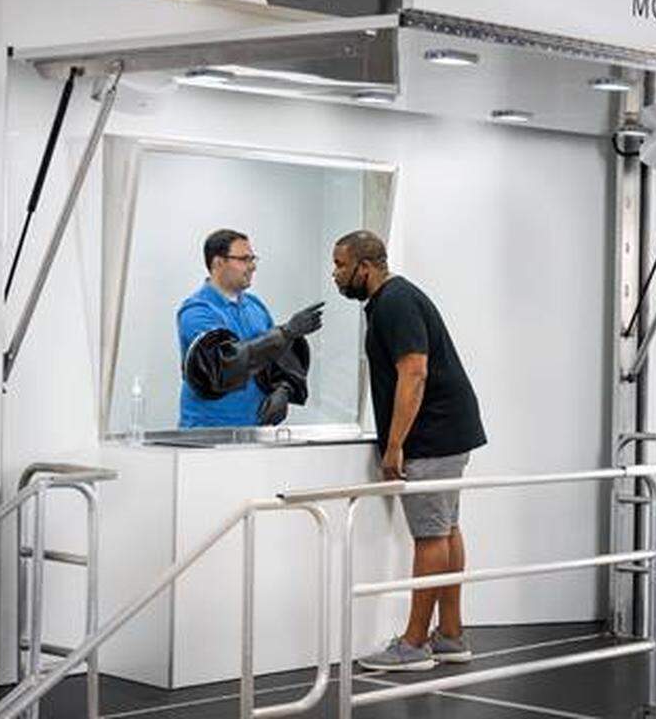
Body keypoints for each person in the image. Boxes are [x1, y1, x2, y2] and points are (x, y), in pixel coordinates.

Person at [332, 229, 487, 671]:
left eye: (341, 265)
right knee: (447, 528)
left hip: (432, 435)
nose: (335, 274)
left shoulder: (395, 303)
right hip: (450, 429)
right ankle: (452, 635)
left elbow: (414, 372)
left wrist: (394, 445)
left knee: (431, 535)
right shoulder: (389, 302)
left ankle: (415, 642)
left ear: (365, 267)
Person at [178, 228, 323, 428]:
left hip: (255, 429)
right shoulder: (197, 312)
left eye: (253, 259)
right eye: (244, 259)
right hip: (208, 432)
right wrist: (286, 333)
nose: (252, 267)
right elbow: (225, 366)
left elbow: (275, 359)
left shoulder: (255, 307)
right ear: (218, 263)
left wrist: (283, 389)